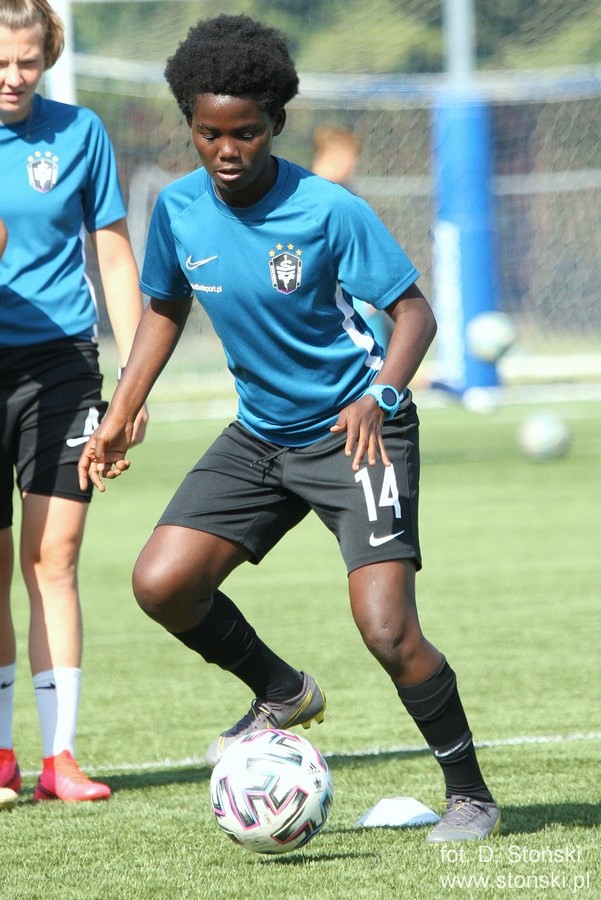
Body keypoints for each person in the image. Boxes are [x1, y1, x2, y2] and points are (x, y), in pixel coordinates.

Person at [78, 13, 499, 841]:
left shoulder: (327, 209)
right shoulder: (180, 208)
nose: (227, 150)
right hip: (260, 435)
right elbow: (163, 309)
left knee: (387, 631)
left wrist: (381, 396)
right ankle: (280, 690)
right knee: (162, 582)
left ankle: (470, 795)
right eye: (209, 134)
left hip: (357, 433)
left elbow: (413, 314)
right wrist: (120, 413)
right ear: (189, 126)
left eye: (245, 132)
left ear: (275, 122)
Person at [0, 0, 148, 802]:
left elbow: (115, 260)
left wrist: (132, 382)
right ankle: (1, 756)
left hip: (63, 365)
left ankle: (60, 759)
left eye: (27, 61)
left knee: (53, 559)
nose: (13, 77)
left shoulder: (79, 132)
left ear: (47, 56)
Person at [311, 124, 393, 352]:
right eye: (350, 157)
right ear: (334, 156)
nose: (353, 165)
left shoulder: (346, 191)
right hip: (335, 291)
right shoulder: (316, 196)